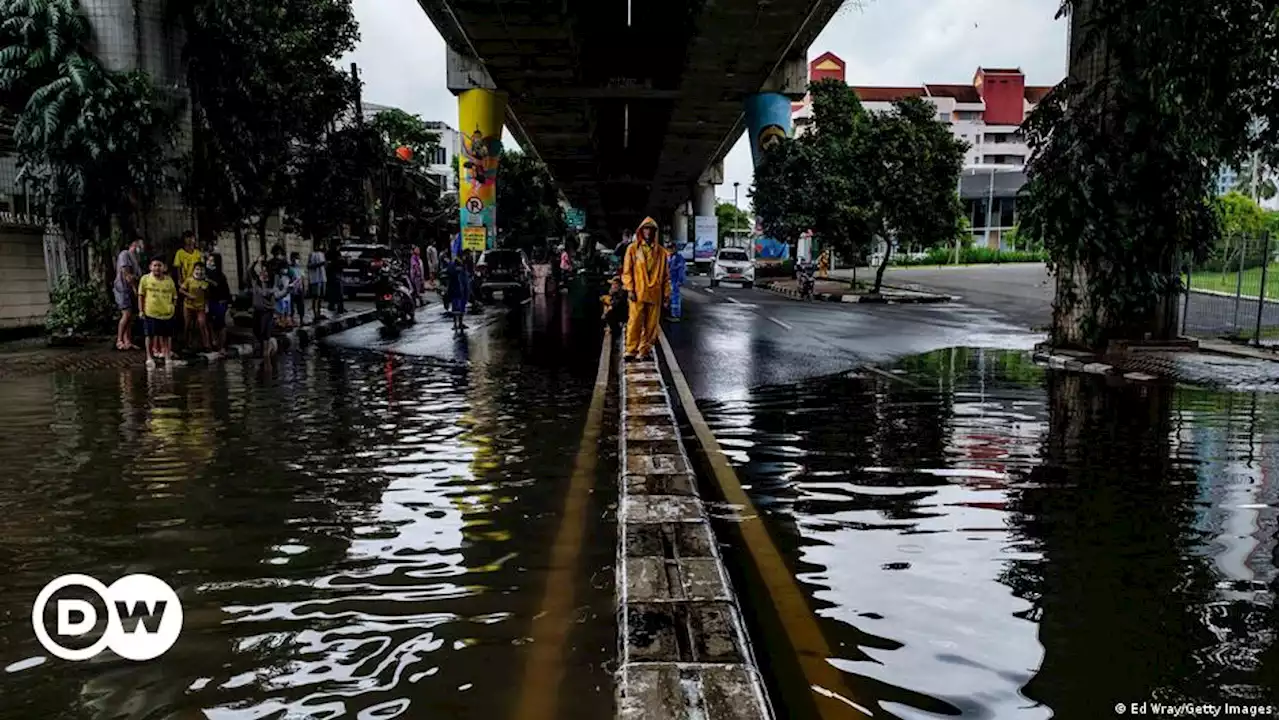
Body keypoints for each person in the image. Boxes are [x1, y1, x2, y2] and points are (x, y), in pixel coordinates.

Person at [622, 217, 670, 361]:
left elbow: (666, 276)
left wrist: (667, 295)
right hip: (638, 292)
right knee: (635, 321)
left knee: (651, 326)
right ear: (641, 231)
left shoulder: (661, 252)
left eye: (651, 229)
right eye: (646, 229)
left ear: (655, 232)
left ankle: (645, 350)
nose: (648, 232)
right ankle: (631, 350)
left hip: (655, 293)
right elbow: (627, 271)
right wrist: (630, 289)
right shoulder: (633, 249)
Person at [138, 257, 178, 367]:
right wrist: (141, 311)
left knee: (167, 336)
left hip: (166, 314)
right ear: (150, 267)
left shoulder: (169, 280)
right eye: (155, 265)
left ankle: (167, 357)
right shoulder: (145, 279)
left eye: (159, 265)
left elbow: (175, 296)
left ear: (164, 267)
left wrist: (172, 308)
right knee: (149, 336)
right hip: (150, 313)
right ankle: (149, 357)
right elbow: (141, 296)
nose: (157, 268)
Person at [113, 236, 143, 350]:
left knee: (130, 317)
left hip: (129, 289)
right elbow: (126, 274)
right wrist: (135, 288)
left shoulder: (135, 258)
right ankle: (119, 340)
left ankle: (128, 341)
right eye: (141, 244)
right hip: (123, 289)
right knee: (126, 314)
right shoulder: (125, 254)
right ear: (135, 244)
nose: (142, 247)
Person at [251, 264, 287, 352]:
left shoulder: (271, 286)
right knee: (256, 330)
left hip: (266, 311)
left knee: (264, 333)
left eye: (265, 271)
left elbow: (276, 294)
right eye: (262, 271)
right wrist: (255, 262)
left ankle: (266, 353)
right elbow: (250, 271)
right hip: (257, 310)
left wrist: (287, 289)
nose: (263, 273)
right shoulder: (256, 283)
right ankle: (267, 348)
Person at [179, 262, 211, 351]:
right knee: (187, 325)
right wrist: (189, 295)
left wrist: (206, 292)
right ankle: (186, 344)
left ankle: (206, 345)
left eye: (201, 269)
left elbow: (208, 295)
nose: (199, 272)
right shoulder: (189, 280)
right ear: (193, 270)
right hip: (188, 306)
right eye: (197, 269)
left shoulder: (205, 282)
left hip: (200, 306)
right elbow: (181, 290)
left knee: (202, 323)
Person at [204, 253, 232, 351]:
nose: (209, 262)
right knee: (210, 321)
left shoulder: (220, 275)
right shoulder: (206, 272)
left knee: (221, 324)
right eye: (208, 260)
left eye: (212, 261)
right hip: (211, 301)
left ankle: (222, 346)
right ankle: (214, 341)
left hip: (221, 301)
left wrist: (207, 280)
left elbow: (218, 285)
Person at [443, 250, 471, 332]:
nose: (466, 257)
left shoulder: (463, 264)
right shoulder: (453, 264)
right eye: (466, 255)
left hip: (463, 289)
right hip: (456, 289)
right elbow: (449, 272)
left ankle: (461, 323)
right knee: (456, 308)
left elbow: (466, 277)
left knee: (462, 307)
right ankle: (455, 324)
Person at [307, 241, 328, 322]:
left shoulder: (322, 254)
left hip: (322, 278)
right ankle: (315, 314)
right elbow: (309, 266)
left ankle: (319, 312)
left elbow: (324, 265)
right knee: (315, 297)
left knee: (321, 297)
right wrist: (319, 264)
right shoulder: (311, 255)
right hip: (315, 279)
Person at [667, 243, 687, 322]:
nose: (670, 250)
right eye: (669, 248)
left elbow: (681, 270)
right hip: (671, 280)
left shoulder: (678, 258)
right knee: (672, 297)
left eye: (671, 248)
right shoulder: (669, 257)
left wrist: (680, 280)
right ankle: (673, 314)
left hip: (675, 280)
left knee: (675, 298)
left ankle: (675, 315)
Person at [325, 242, 346, 314]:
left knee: (332, 291)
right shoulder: (336, 253)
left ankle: (332, 305)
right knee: (339, 292)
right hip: (335, 274)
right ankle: (339, 307)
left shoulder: (329, 253)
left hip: (332, 274)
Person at [288, 252, 307, 325]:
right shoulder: (289, 268)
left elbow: (303, 278)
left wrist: (304, 288)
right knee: (291, 306)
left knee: (301, 305)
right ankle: (292, 320)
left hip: (300, 289)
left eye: (298, 258)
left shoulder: (300, 268)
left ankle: (302, 320)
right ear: (291, 259)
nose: (297, 260)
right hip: (292, 290)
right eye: (296, 258)